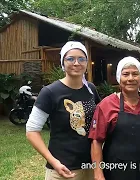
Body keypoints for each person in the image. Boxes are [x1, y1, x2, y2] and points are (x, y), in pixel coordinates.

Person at [26, 41, 101, 180]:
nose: (76, 63)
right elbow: (31, 131)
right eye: (70, 59)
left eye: (81, 59)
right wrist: (54, 162)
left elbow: (99, 121)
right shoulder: (50, 92)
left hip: (90, 166)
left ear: (86, 62)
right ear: (62, 62)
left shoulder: (91, 89)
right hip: (63, 169)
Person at [89, 56, 140, 180]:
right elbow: (96, 141)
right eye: (126, 74)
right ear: (119, 78)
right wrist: (98, 174)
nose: (131, 78)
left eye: (135, 74)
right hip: (115, 171)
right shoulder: (106, 105)